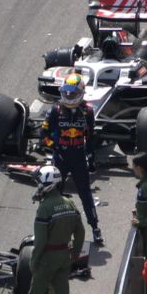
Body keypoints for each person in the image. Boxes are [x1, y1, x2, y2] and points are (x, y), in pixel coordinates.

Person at [5, 165, 85, 294]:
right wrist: (74, 254)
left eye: (39, 181)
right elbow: (80, 232)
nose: (37, 185)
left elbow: (40, 242)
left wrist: (34, 261)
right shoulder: (70, 203)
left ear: (47, 184)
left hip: (47, 258)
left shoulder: (44, 208)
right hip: (64, 257)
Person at [40, 72, 104, 245]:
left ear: (81, 92)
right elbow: (43, 134)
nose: (68, 96)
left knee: (85, 194)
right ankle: (48, 228)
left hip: (78, 158)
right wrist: (55, 147)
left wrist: (91, 158)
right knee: (52, 194)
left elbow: (90, 136)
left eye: (72, 93)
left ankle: (95, 228)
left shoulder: (88, 111)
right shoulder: (55, 109)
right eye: (66, 92)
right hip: (60, 157)